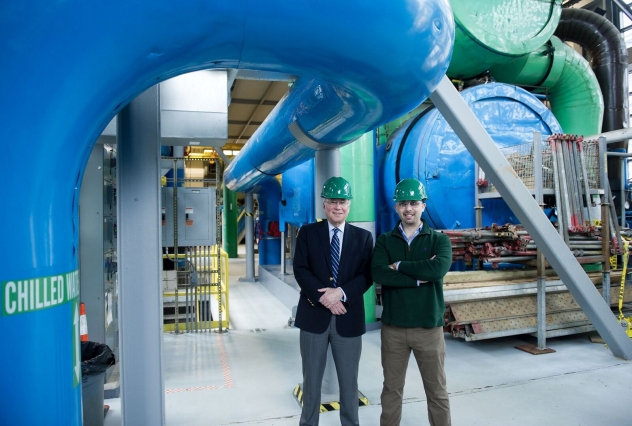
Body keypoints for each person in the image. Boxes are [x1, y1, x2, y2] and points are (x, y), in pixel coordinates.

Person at [371, 178, 453, 426]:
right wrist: (416, 280)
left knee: (436, 391)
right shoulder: (385, 241)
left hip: (428, 328)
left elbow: (437, 270)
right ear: (396, 207)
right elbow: (378, 273)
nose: (409, 208)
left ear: (423, 206)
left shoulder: (439, 240)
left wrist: (401, 267)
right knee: (391, 390)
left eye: (414, 203)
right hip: (393, 329)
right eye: (403, 203)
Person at [293, 176, 374, 426]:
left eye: (342, 201)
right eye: (332, 201)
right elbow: (300, 269)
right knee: (312, 382)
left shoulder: (363, 238)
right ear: (324, 205)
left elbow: (366, 275)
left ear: (349, 205)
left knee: (349, 385)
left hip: (347, 320)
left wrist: (341, 293)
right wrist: (324, 298)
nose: (338, 206)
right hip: (313, 319)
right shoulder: (307, 233)